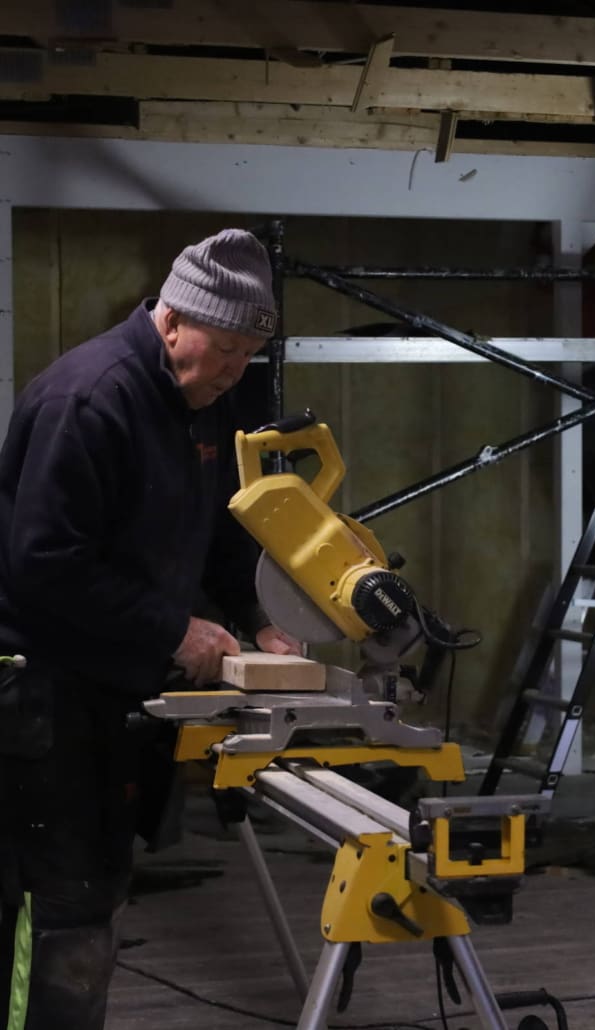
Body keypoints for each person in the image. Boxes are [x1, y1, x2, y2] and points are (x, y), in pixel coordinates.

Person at [0, 228, 301, 1028]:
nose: (234, 371)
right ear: (172, 322)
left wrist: (262, 619)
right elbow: (44, 564)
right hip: (40, 697)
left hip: (108, 691)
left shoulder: (199, 399)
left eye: (248, 357)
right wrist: (175, 630)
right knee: (55, 913)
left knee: (93, 896)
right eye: (226, 350)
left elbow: (222, 532)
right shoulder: (90, 399)